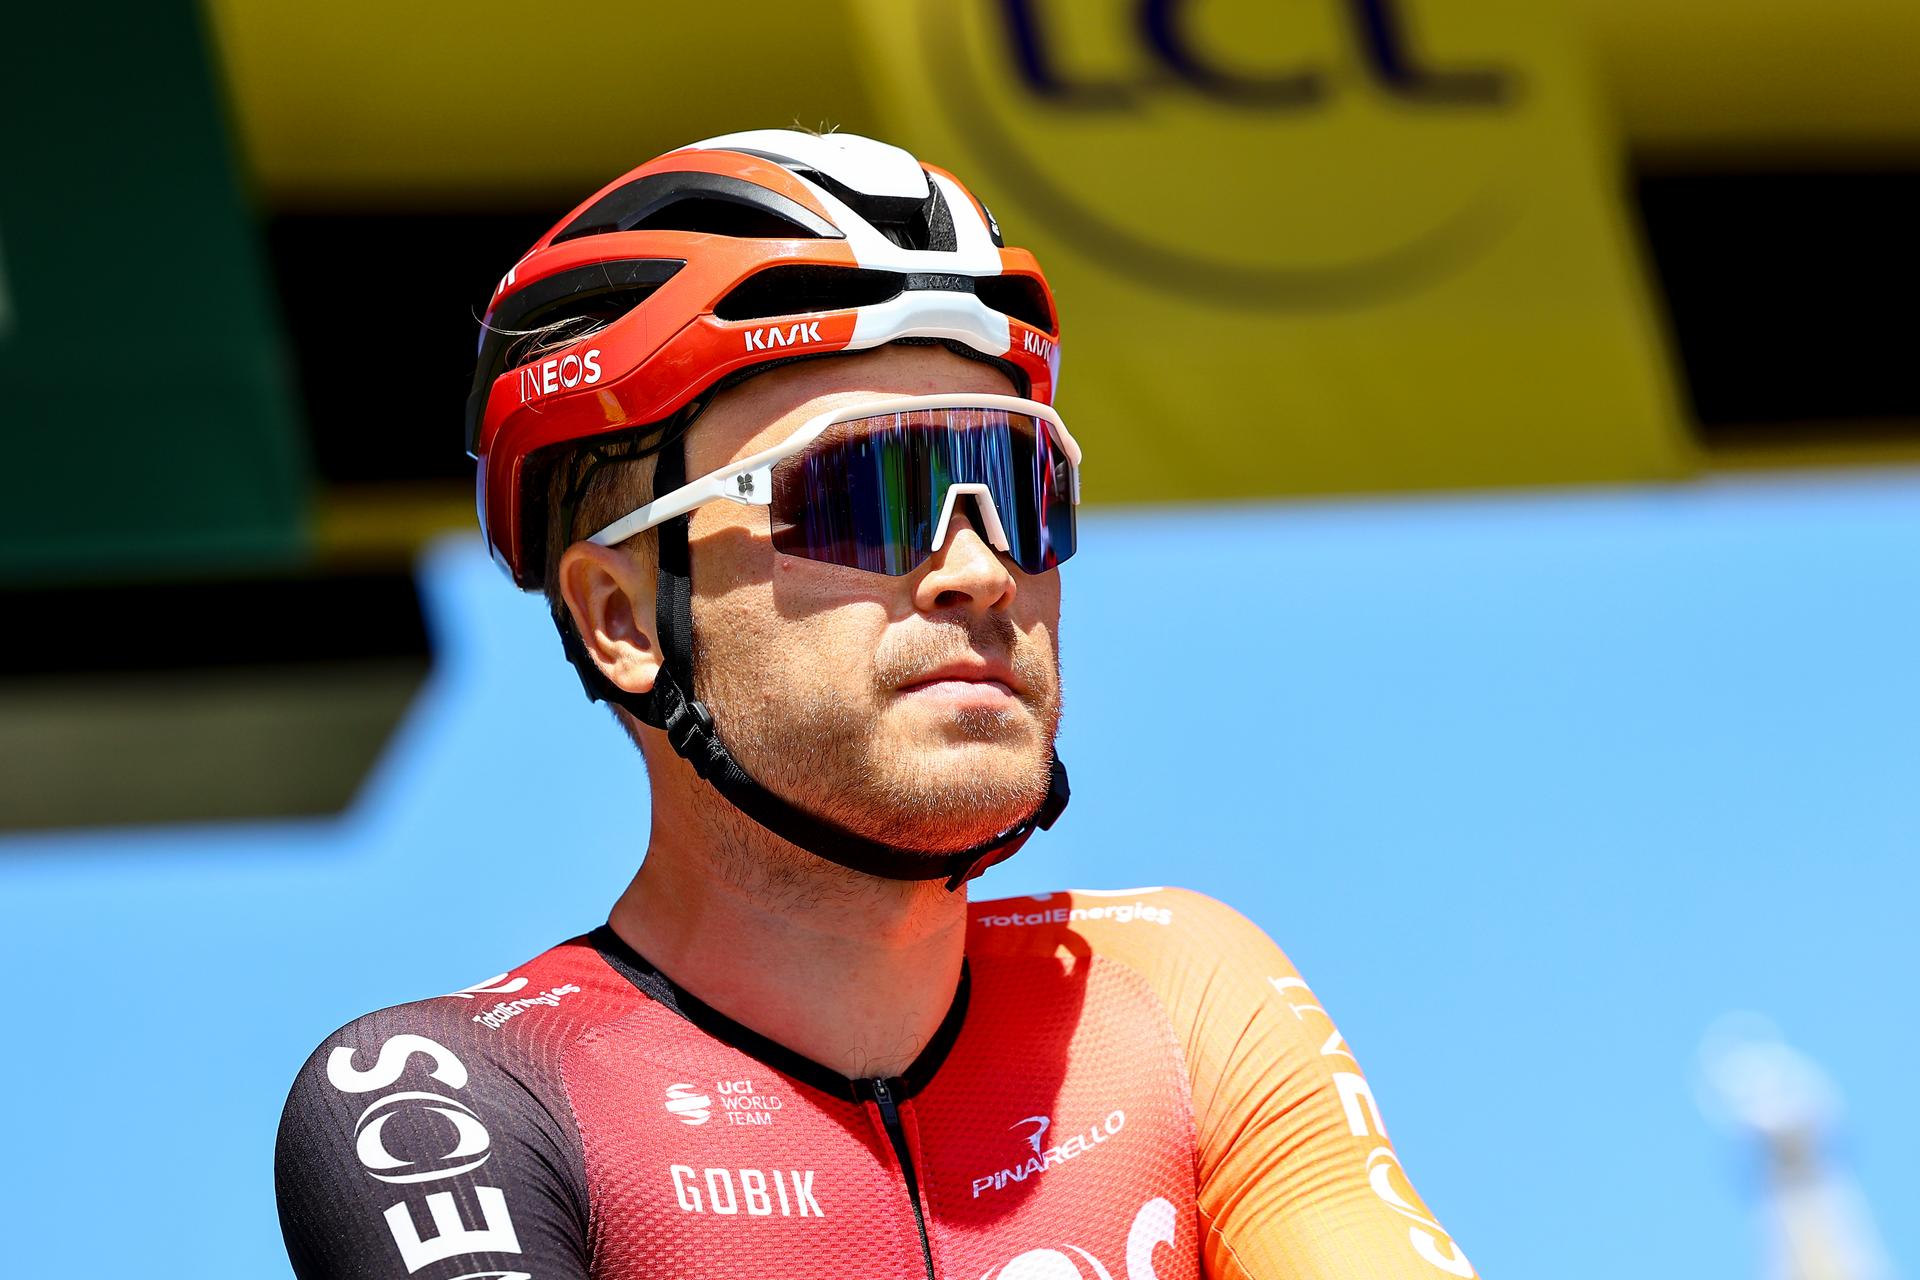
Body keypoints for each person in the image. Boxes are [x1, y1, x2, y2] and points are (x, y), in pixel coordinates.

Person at [275, 128, 1472, 1280]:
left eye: (1017, 484)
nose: (979, 567)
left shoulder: (1175, 988)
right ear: (625, 618)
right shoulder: (454, 1091)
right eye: (870, 489)